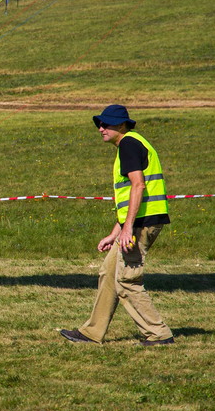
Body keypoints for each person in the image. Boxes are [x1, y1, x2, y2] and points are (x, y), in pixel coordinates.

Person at [60, 105, 174, 347]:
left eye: (106, 124)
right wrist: (115, 232)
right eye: (99, 124)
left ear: (122, 126)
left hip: (141, 225)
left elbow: (138, 186)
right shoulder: (130, 144)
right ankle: (92, 332)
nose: (101, 128)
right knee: (109, 273)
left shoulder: (129, 145)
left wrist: (127, 228)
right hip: (134, 223)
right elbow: (129, 199)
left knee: (127, 280)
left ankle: (159, 334)